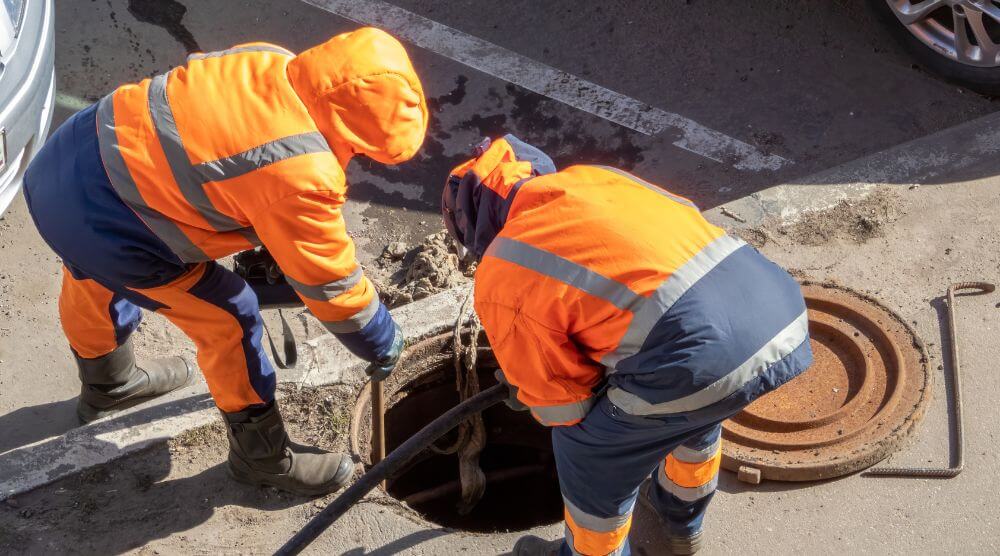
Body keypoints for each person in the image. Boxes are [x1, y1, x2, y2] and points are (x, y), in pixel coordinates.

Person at [23, 28, 428, 496]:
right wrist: (378, 337)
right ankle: (262, 458)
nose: (355, 159)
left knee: (90, 272)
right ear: (350, 130)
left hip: (70, 161)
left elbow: (214, 153)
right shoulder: (303, 173)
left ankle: (109, 384)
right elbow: (332, 284)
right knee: (229, 316)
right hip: (109, 224)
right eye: (360, 149)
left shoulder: (268, 58)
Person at [441, 136, 813, 555]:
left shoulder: (502, 269)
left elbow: (565, 406)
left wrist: (529, 391)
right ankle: (681, 525)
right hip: (778, 312)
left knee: (587, 448)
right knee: (694, 410)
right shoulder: (595, 179)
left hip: (698, 356)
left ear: (471, 225)